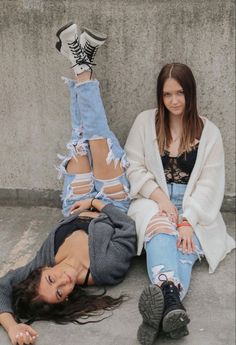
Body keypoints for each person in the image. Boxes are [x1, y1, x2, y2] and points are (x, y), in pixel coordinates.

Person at [0, 22, 136, 345]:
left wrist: (11, 327)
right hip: (109, 202)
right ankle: (80, 63)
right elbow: (127, 229)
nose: (63, 280)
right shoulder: (104, 270)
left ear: (40, 273)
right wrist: (95, 204)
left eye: (51, 279)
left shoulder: (42, 260)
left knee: (79, 139)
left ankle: (81, 62)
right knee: (98, 139)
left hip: (71, 206)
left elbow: (1, 286)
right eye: (61, 293)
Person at [125, 62, 235, 345]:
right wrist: (162, 200)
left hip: (196, 206)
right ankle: (172, 303)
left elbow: (210, 185)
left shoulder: (209, 133)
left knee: (184, 244)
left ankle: (164, 304)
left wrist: (187, 219)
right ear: (160, 97)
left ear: (191, 93)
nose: (174, 101)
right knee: (162, 229)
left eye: (180, 93)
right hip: (152, 200)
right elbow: (133, 167)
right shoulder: (144, 122)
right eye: (167, 94)